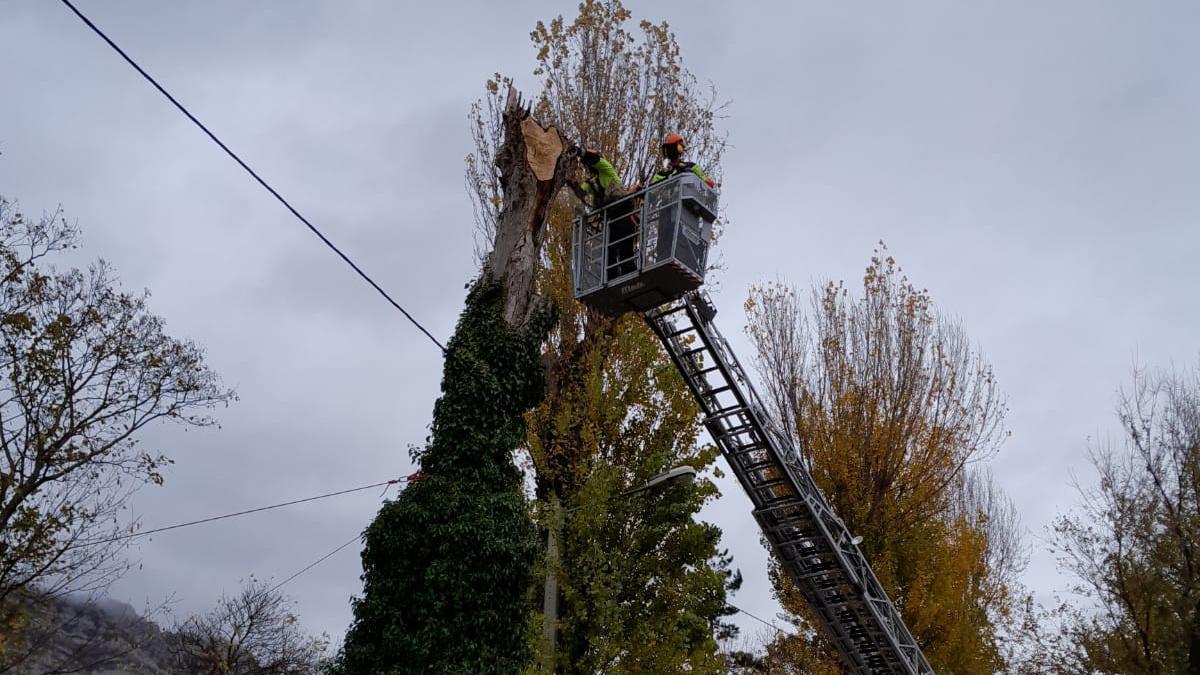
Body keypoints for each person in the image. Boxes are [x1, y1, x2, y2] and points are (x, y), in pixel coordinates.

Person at [569, 148, 640, 280]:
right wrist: (572, 182)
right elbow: (581, 192)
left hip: (623, 212)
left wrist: (580, 152)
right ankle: (612, 278)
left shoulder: (607, 168)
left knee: (625, 248)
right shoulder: (592, 182)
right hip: (611, 217)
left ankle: (630, 276)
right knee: (610, 250)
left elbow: (595, 159)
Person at [650, 133, 717, 187]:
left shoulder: (690, 167)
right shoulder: (663, 174)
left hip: (688, 200)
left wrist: (708, 182)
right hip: (670, 202)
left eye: (672, 148)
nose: (671, 152)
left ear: (679, 149)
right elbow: (651, 190)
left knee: (687, 171)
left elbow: (703, 178)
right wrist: (642, 192)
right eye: (669, 149)